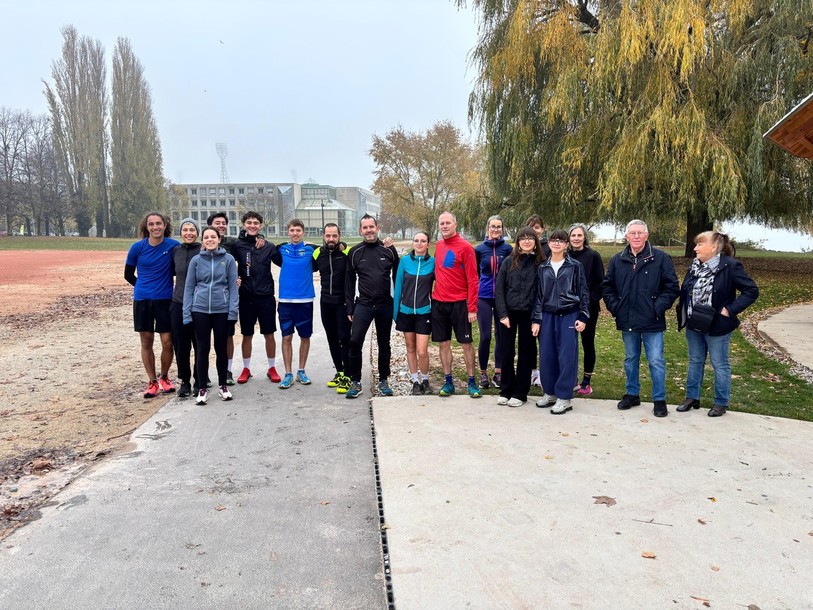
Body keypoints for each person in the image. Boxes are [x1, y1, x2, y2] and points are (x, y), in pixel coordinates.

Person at [676, 231, 759, 417]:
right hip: (694, 322)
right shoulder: (695, 266)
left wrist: (730, 309)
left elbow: (751, 291)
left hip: (717, 325)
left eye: (699, 244)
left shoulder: (730, 266)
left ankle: (721, 402)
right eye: (695, 244)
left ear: (714, 247)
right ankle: (691, 397)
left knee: (719, 363)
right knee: (695, 360)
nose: (695, 248)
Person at [602, 219, 679, 417]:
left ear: (646, 235)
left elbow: (671, 287)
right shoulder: (618, 260)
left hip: (652, 319)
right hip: (627, 318)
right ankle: (632, 394)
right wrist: (615, 307)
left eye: (640, 233)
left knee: (655, 360)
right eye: (632, 233)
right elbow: (607, 286)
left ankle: (659, 399)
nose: (636, 237)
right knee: (631, 359)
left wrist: (658, 307)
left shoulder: (660, 258)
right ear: (626, 236)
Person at [531, 229, 589, 414]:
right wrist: (536, 320)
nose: (557, 243)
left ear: (566, 244)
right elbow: (539, 296)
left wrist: (583, 316)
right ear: (549, 244)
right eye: (554, 240)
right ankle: (550, 393)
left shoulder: (575, 266)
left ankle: (564, 397)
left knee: (566, 356)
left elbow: (583, 292)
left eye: (561, 241)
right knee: (547, 355)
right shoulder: (543, 268)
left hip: (569, 315)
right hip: (548, 316)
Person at [124, 212, 180, 398]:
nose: (155, 227)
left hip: (165, 300)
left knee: (167, 342)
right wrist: (142, 287)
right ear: (146, 227)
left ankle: (164, 377)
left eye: (159, 223)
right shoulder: (137, 248)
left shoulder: (173, 246)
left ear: (165, 225)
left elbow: (180, 268)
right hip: (142, 300)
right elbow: (128, 274)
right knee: (146, 341)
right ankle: (152, 381)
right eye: (151, 224)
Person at [207, 211, 266, 384]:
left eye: (223, 223)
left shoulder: (232, 244)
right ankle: (201, 375)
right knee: (203, 339)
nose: (221, 226)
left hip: (226, 296)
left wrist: (259, 236)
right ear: (210, 225)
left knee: (227, 336)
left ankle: (227, 371)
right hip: (204, 297)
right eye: (217, 223)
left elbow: (247, 239)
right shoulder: (203, 244)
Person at [344, 214, 400, 399]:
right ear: (361, 230)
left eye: (371, 227)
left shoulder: (388, 250)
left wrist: (397, 304)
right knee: (355, 342)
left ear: (377, 228)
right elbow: (349, 281)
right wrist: (350, 307)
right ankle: (356, 381)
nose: (368, 230)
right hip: (364, 305)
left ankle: (384, 380)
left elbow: (397, 278)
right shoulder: (355, 252)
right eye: (365, 227)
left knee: (384, 344)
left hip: (385, 305)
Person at [183, 226, 239, 404]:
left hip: (221, 310)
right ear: (203, 240)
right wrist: (187, 313)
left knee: (221, 349)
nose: (210, 240)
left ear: (219, 239)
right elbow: (189, 287)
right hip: (200, 311)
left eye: (213, 237)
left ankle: (223, 385)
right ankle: (202, 388)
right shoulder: (196, 261)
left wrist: (232, 311)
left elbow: (233, 287)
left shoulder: (228, 260)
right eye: (206, 237)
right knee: (202, 349)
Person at [432, 211, 481, 398]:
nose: (444, 226)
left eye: (447, 223)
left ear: (455, 224)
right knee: (443, 344)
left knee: (466, 344)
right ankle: (448, 381)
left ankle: (471, 382)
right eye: (441, 223)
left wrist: (472, 308)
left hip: (460, 304)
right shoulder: (439, 245)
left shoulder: (466, 247)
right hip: (439, 304)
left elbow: (473, 279)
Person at [494, 227, 544, 407]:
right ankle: (506, 389)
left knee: (526, 352)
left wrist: (537, 318)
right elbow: (499, 289)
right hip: (509, 313)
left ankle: (520, 392)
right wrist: (502, 314)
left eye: (530, 238)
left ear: (535, 241)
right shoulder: (509, 262)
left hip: (529, 314)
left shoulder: (540, 263)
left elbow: (541, 293)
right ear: (518, 241)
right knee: (507, 351)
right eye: (523, 238)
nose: (527, 241)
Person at [230, 211, 280, 386]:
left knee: (269, 334)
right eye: (249, 222)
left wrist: (264, 238)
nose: (252, 225)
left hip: (265, 296)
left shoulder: (268, 246)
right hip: (246, 296)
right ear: (244, 224)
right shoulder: (237, 245)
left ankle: (272, 367)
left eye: (256, 223)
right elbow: (222, 252)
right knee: (247, 334)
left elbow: (284, 260)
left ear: (260, 226)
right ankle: (246, 368)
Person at [272, 218, 317, 389]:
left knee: (305, 337)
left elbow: (332, 248)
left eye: (298, 230)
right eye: (292, 230)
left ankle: (301, 371)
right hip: (285, 301)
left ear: (303, 232)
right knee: (286, 337)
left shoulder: (312, 250)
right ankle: (288, 373)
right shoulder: (282, 249)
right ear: (288, 232)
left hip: (305, 300)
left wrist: (342, 244)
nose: (295, 233)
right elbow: (265, 247)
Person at [393, 231, 435, 395]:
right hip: (406, 312)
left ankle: (425, 379)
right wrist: (396, 313)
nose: (419, 243)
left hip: (424, 312)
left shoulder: (432, 262)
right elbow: (398, 288)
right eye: (416, 240)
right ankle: (415, 381)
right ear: (413, 243)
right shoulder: (404, 262)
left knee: (422, 350)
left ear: (427, 244)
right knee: (410, 348)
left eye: (422, 241)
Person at [313, 223, 352, 394]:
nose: (331, 239)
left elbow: (369, 249)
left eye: (334, 236)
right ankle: (340, 372)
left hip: (343, 302)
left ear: (339, 235)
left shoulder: (348, 252)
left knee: (345, 339)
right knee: (332, 338)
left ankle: (348, 375)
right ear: (323, 236)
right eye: (328, 236)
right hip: (325, 303)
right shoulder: (317, 253)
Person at [474, 215, 512, 390]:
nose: (495, 229)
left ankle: (498, 372)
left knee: (501, 336)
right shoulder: (480, 249)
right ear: (487, 228)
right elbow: (474, 274)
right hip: (483, 296)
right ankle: (483, 373)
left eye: (499, 227)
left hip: (502, 298)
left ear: (502, 229)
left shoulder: (508, 249)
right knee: (486, 336)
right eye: (492, 226)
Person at [567, 223, 605, 395]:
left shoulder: (593, 256)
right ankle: (570, 377)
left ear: (584, 238)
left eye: (579, 235)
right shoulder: (564, 256)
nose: (576, 238)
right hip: (567, 307)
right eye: (573, 235)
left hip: (588, 307)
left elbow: (600, 282)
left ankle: (586, 380)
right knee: (569, 344)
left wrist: (591, 299)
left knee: (587, 342)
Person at [170, 217, 201, 398]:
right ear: (180, 232)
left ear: (197, 232)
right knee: (180, 345)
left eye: (192, 230)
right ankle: (185, 381)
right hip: (179, 302)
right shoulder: (175, 251)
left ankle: (199, 379)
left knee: (199, 344)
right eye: (185, 229)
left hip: (199, 305)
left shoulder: (204, 249)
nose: (188, 233)